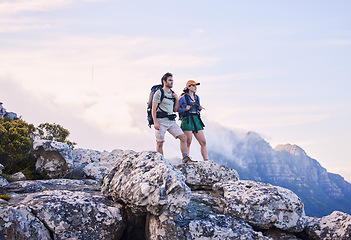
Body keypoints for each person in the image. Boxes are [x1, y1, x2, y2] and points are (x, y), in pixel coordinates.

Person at [152, 73, 195, 163]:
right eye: (170, 80)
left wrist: (177, 99)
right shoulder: (159, 93)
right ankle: (160, 162)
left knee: (183, 137)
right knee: (160, 142)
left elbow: (175, 110)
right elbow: (154, 108)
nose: (172, 82)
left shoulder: (172, 94)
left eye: (172, 80)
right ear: (164, 81)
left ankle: (185, 158)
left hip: (171, 122)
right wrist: (155, 122)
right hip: (161, 121)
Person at [178, 80, 208, 161]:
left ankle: (206, 160)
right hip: (187, 119)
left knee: (203, 142)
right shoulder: (182, 98)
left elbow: (197, 109)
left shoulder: (197, 97)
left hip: (196, 119)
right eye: (193, 86)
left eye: (196, 86)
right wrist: (185, 109)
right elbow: (176, 109)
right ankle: (186, 159)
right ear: (188, 87)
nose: (195, 87)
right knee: (188, 141)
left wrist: (199, 109)